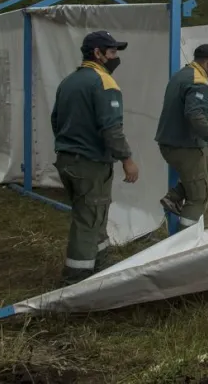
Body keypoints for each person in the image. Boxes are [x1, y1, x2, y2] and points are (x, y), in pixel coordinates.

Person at [51, 30, 139, 286]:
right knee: (88, 218)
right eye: (111, 52)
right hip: (90, 163)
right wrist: (127, 159)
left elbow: (56, 120)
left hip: (68, 160)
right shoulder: (104, 81)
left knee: (94, 211)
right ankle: (75, 279)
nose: (115, 57)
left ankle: (100, 261)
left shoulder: (68, 81)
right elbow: (111, 128)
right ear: (97, 54)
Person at [156, 44, 208, 229]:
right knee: (198, 197)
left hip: (169, 142)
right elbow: (193, 114)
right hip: (185, 147)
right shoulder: (198, 81)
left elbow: (182, 108)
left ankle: (175, 196)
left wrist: (206, 123)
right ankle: (184, 241)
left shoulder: (181, 75)